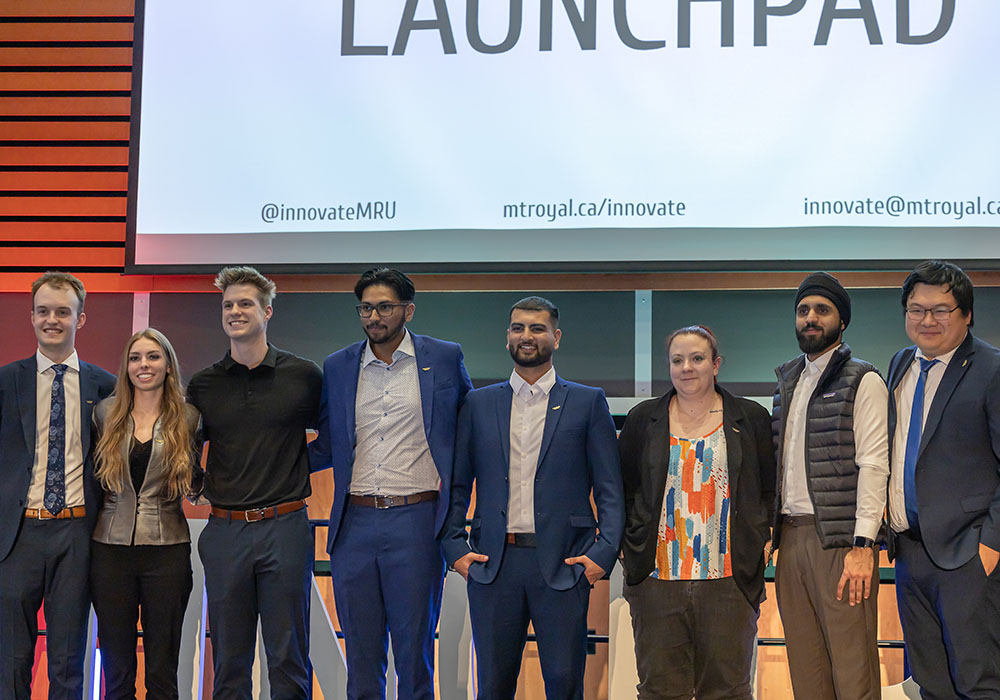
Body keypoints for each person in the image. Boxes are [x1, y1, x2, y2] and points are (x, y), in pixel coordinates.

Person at [440, 296, 623, 700]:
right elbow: (456, 485)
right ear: (507, 336)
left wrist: (602, 554)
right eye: (518, 327)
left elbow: (610, 489)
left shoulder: (587, 401)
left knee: (563, 683)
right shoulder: (478, 403)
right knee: (493, 686)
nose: (527, 336)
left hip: (563, 565)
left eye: (537, 328)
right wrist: (455, 547)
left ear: (556, 337)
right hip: (492, 566)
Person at [309, 267, 472, 700]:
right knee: (361, 654)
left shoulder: (443, 357)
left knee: (414, 652)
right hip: (353, 525)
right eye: (366, 308)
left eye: (385, 307)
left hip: (416, 521)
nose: (374, 316)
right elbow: (327, 444)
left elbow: (470, 430)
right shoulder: (339, 365)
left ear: (408, 310)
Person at [618, 325, 775, 699]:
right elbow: (623, 489)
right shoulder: (644, 419)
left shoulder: (750, 418)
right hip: (656, 579)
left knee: (728, 690)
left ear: (716, 364)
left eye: (697, 358)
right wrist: (629, 546)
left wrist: (763, 541)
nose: (687, 367)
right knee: (658, 689)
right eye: (678, 360)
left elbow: (768, 488)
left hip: (729, 579)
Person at [186, 266, 322, 699]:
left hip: (286, 527)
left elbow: (337, 438)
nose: (235, 311)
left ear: (267, 311)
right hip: (225, 531)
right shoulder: (204, 384)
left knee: (288, 656)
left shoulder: (304, 376)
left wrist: (296, 463)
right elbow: (186, 448)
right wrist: (195, 482)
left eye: (245, 303)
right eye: (228, 305)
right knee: (229, 658)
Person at [770, 271, 889, 699]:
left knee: (853, 674)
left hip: (841, 545)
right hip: (791, 538)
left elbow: (875, 465)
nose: (810, 318)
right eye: (803, 310)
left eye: (822, 310)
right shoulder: (786, 382)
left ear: (842, 321)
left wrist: (864, 547)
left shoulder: (864, 380)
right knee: (807, 674)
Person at [886, 260, 1000, 697]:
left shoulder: (991, 369)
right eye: (916, 309)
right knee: (929, 685)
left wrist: (988, 547)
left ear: (967, 314)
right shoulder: (900, 365)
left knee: (980, 684)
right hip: (910, 554)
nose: (927, 320)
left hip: (968, 556)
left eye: (941, 310)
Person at [0, 271, 116, 700]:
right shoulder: (6, 381)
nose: (53, 319)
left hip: (77, 533)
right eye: (44, 311)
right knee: (10, 658)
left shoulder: (105, 386)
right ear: (30, 317)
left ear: (80, 319)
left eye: (63, 312)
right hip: (17, 538)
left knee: (69, 656)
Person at [91, 328, 202, 700]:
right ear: (125, 366)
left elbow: (199, 481)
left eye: (153, 356)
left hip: (167, 550)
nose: (144, 365)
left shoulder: (189, 419)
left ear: (168, 365)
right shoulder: (104, 414)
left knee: (162, 666)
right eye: (136, 357)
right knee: (116, 665)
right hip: (109, 551)